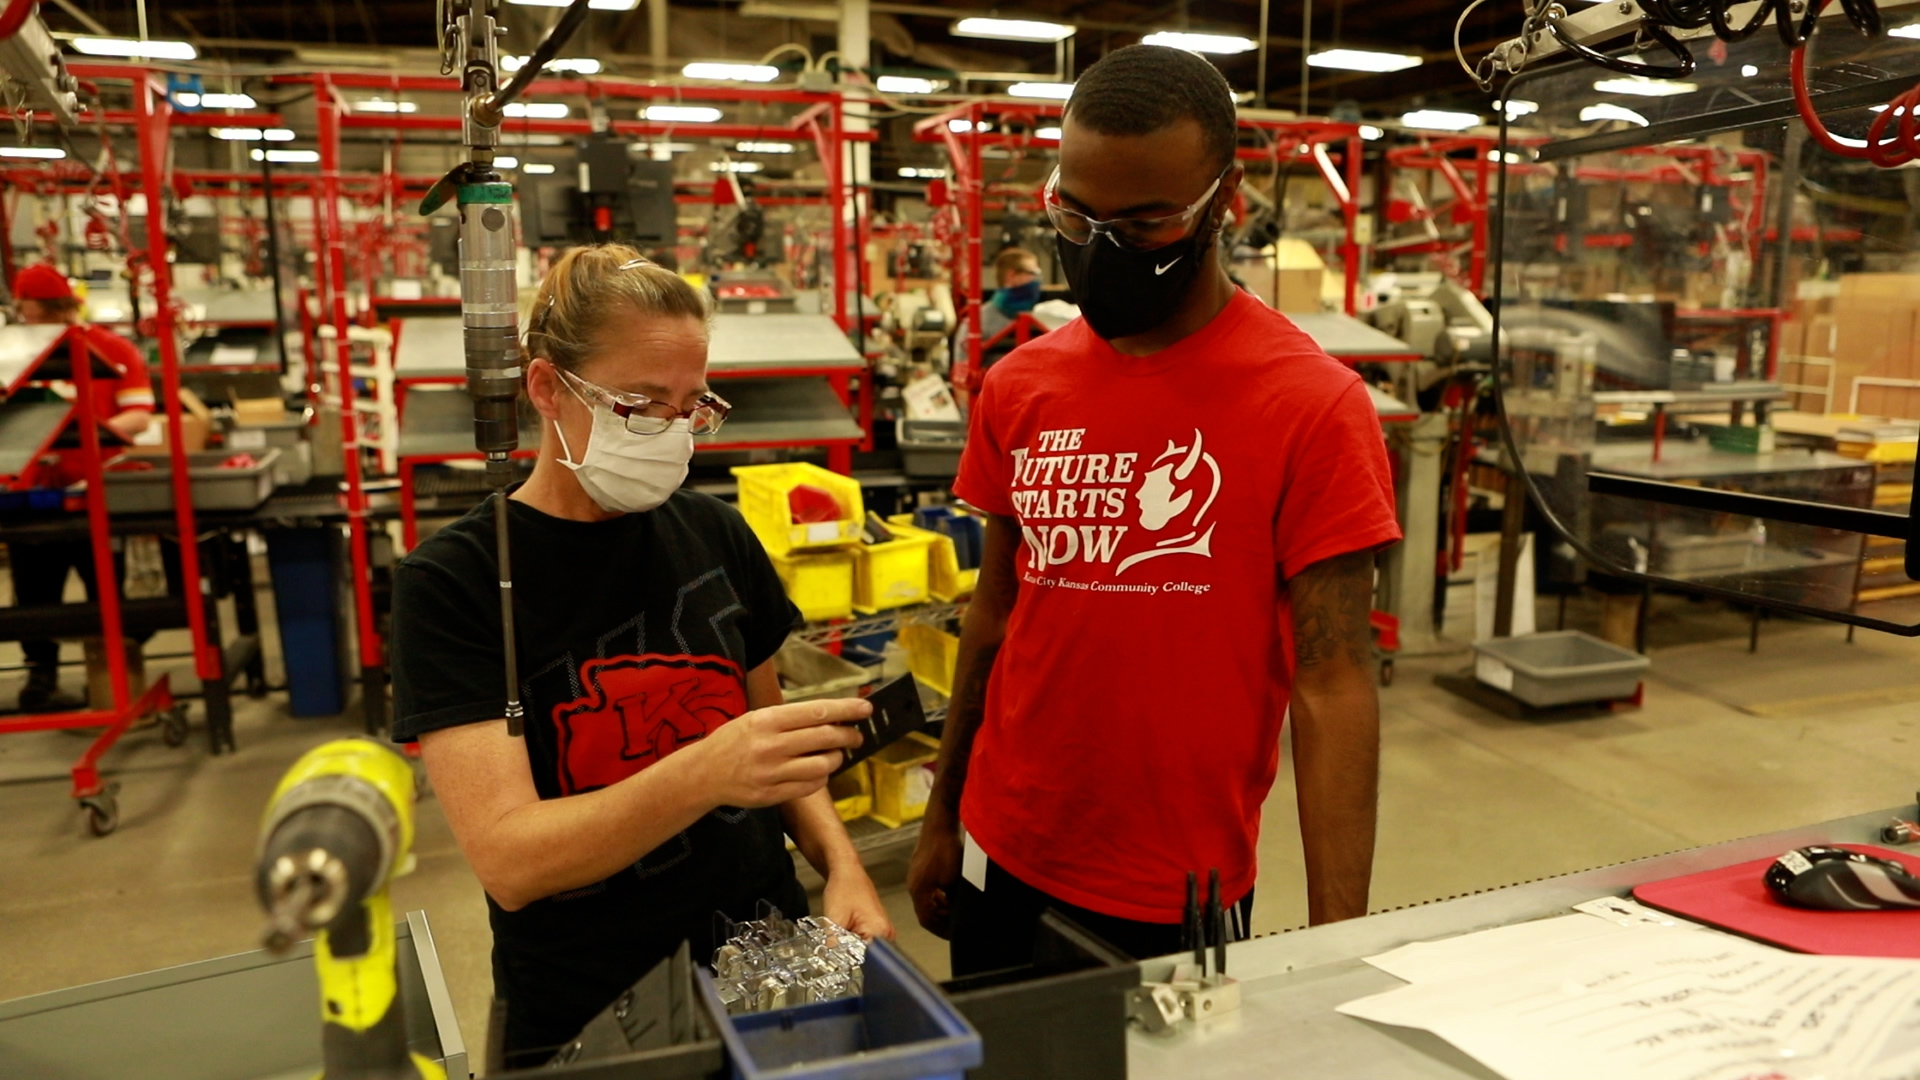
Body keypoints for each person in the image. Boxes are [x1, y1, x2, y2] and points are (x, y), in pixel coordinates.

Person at [906, 45, 1402, 975]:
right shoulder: (1020, 386)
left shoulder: (1312, 406)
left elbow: (1334, 687)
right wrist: (944, 813)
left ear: (1228, 202)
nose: (1102, 249)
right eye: (1076, 213)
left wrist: (1346, 944)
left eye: (1145, 224)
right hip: (1000, 846)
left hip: (1173, 889)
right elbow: (995, 614)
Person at [389, 245, 893, 1069]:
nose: (672, 431)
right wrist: (707, 770)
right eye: (641, 403)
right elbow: (512, 861)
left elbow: (776, 748)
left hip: (768, 965)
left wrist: (842, 866)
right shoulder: (458, 582)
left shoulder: (715, 533)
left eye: (692, 404)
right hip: (593, 1008)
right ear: (547, 388)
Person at [8, 263, 155, 712]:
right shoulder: (14, 356)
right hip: (33, 493)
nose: (30, 324)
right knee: (34, 590)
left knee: (105, 586)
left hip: (96, 489)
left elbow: (140, 413)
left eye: (36, 316)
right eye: (25, 316)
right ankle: (41, 673)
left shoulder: (111, 349)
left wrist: (94, 435)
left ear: (60, 309)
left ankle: (112, 671)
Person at [977, 246, 1043, 345]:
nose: (1036, 280)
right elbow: (963, 358)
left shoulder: (1039, 320)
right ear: (1011, 275)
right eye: (1032, 273)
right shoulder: (978, 322)